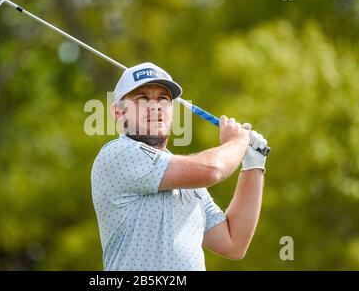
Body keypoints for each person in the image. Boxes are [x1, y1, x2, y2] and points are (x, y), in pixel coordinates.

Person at [91, 62, 269, 271]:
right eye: (142, 98)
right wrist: (237, 142)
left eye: (163, 99)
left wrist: (253, 165)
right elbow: (213, 169)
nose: (155, 106)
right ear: (118, 113)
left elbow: (233, 243)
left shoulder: (187, 181)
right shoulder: (117, 154)